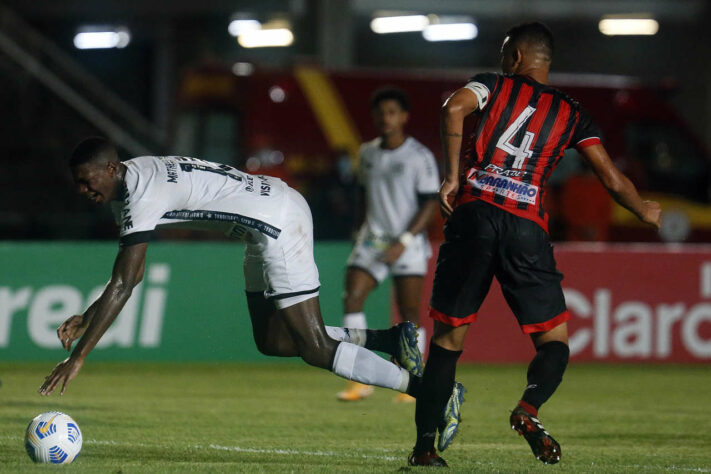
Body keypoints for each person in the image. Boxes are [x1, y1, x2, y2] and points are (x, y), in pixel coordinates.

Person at [38, 138, 464, 440]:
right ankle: (387, 338)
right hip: (260, 224)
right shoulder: (134, 176)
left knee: (313, 346)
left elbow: (126, 281)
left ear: (111, 168)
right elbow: (124, 276)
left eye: (86, 179)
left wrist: (78, 358)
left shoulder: (141, 193)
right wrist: (88, 316)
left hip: (275, 222)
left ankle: (432, 394)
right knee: (273, 340)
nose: (82, 189)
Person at [408, 22, 662, 467]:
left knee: (447, 343)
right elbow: (609, 175)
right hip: (526, 227)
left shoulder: (492, 85)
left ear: (518, 58)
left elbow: (453, 110)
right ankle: (527, 409)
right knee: (554, 344)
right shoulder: (572, 112)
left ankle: (426, 449)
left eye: (505, 52)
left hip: (475, 216)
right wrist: (643, 210)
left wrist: (450, 177)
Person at [338, 88, 440, 402]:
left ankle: (412, 379)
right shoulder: (367, 153)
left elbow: (430, 203)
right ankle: (360, 377)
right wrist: (358, 229)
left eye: (393, 112)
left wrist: (405, 240)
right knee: (352, 297)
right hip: (373, 239)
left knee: (409, 314)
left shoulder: (419, 156)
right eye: (381, 113)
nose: (386, 118)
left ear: (404, 117)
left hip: (406, 243)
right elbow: (364, 195)